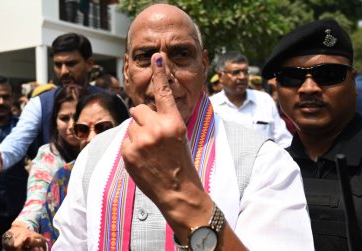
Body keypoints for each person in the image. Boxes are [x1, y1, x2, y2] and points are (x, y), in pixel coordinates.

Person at [52, 3, 313, 251]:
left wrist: (181, 196)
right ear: (127, 69)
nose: (162, 75)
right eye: (145, 57)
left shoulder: (264, 162)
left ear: (204, 64)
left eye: (181, 55)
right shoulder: (93, 156)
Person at [262, 19, 362, 251]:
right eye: (292, 77)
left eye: (327, 74)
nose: (309, 88)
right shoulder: (268, 168)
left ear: (353, 82)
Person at [0, 33, 105, 183]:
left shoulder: (110, 102)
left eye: (71, 64)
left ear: (89, 63)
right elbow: (18, 140)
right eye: (58, 65)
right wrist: (1, 156)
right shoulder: (39, 104)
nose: (64, 71)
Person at [40, 92, 129, 249]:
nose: (91, 138)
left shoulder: (141, 172)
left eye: (103, 128)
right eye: (82, 129)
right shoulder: (64, 178)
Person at [1, 85, 82, 251]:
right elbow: (35, 200)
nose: (71, 126)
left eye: (78, 118)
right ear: (54, 121)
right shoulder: (49, 156)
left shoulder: (113, 151)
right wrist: (20, 229)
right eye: (64, 118)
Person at [0, 76, 28, 251]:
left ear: (13, 97)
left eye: (5, 97)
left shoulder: (24, 128)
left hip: (18, 207)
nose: (1, 102)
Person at [210, 51, 293, 147]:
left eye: (245, 72)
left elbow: (282, 139)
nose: (242, 77)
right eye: (236, 72)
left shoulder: (264, 100)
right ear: (220, 76)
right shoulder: (211, 106)